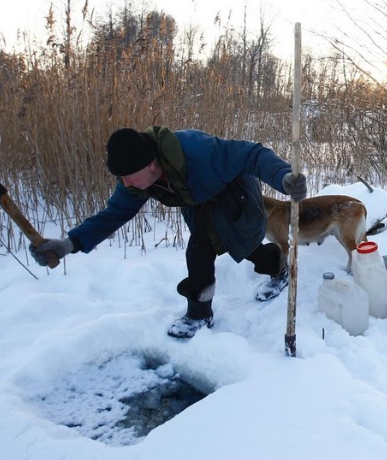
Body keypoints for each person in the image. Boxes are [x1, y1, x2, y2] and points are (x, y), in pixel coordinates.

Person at [29, 126, 307, 339]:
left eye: (128, 176)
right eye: (121, 177)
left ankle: (199, 314)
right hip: (198, 201)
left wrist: (283, 176)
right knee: (231, 247)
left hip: (235, 193)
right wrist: (70, 243)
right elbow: (114, 214)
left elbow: (252, 154)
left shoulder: (198, 151)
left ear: (151, 164)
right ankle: (277, 264)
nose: (125, 183)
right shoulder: (135, 178)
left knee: (203, 247)